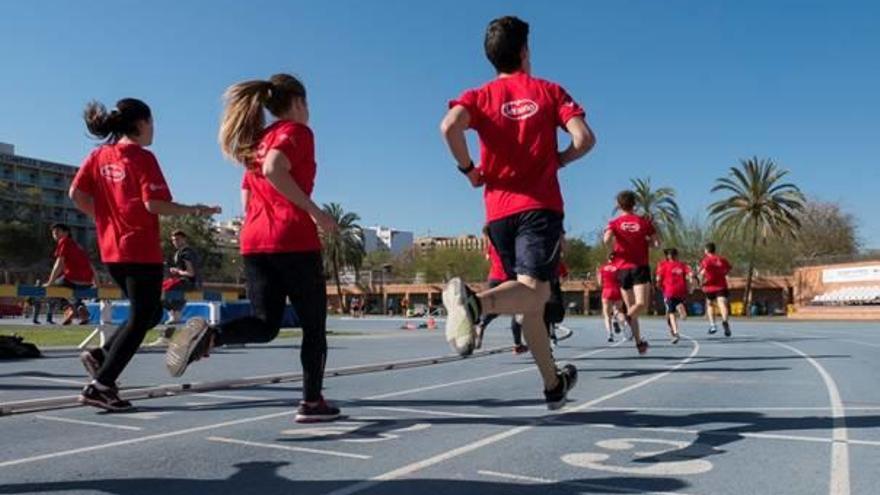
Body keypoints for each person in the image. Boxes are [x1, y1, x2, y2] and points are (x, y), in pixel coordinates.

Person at [164, 73, 341, 423]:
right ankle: (311, 401)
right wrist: (317, 213)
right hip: (292, 239)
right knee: (314, 326)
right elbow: (276, 168)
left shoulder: (256, 141)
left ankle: (211, 335)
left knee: (265, 324)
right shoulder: (297, 132)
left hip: (255, 242)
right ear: (299, 103)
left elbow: (246, 194)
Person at [440, 16, 595, 409]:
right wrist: (559, 159)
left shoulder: (478, 96)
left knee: (531, 305)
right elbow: (585, 139)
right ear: (525, 52)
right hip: (538, 207)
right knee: (536, 291)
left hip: (498, 214)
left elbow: (448, 128)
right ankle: (474, 304)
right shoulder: (548, 91)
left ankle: (552, 385)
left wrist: (469, 171)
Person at [70, 97, 220, 411]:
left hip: (112, 250)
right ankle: (101, 384)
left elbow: (76, 194)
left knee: (149, 313)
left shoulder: (98, 156)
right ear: (141, 124)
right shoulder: (142, 158)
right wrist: (196, 210)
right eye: (152, 123)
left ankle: (100, 355)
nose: (154, 129)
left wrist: (102, 220)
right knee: (142, 316)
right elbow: (154, 204)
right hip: (139, 249)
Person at [604, 190, 660, 355]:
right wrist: (650, 234)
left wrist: (612, 249)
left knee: (632, 307)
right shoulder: (644, 222)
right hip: (639, 267)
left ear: (618, 205)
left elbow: (606, 240)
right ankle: (622, 317)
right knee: (641, 305)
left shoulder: (614, 223)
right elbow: (657, 244)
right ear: (635, 204)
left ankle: (639, 343)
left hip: (622, 269)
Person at [474, 226, 528, 354]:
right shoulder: (509, 243)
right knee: (519, 310)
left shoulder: (492, 245)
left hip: (493, 277)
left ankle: (482, 323)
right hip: (508, 279)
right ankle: (517, 344)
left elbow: (487, 257)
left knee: (496, 308)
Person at [149, 230, 202, 346]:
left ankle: (170, 317)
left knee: (158, 292)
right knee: (176, 314)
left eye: (177, 239)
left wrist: (177, 271)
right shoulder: (184, 252)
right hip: (188, 283)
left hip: (186, 283)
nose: (175, 242)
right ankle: (167, 336)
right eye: (173, 240)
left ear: (184, 239)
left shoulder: (186, 253)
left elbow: (191, 273)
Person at [43, 223, 97, 325]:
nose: (55, 234)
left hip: (72, 280)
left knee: (51, 290)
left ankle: (68, 309)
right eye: (53, 233)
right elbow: (91, 266)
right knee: (70, 293)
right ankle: (81, 309)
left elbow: (59, 264)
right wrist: (97, 284)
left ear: (67, 233)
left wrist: (50, 282)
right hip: (86, 282)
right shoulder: (78, 247)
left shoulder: (64, 242)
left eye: (58, 232)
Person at [655, 247, 693, 344]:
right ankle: (680, 306)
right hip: (681, 290)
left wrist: (658, 285)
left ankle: (675, 333)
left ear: (668, 256)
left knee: (671, 314)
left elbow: (658, 278)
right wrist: (690, 286)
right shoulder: (683, 265)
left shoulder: (663, 265)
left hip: (669, 291)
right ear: (676, 255)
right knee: (670, 312)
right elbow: (690, 275)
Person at [700, 241, 733, 336]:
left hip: (709, 286)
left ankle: (713, 325)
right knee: (722, 303)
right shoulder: (722, 259)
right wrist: (722, 274)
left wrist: (701, 282)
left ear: (706, 250)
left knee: (710, 304)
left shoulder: (705, 261)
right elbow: (727, 270)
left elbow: (702, 273)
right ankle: (725, 321)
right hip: (721, 285)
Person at [597, 253, 626, 343]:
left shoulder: (602, 268)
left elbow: (600, 283)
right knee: (618, 311)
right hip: (617, 291)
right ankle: (625, 328)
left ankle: (610, 334)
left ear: (608, 259)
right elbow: (623, 280)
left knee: (606, 314)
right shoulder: (619, 268)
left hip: (606, 291)